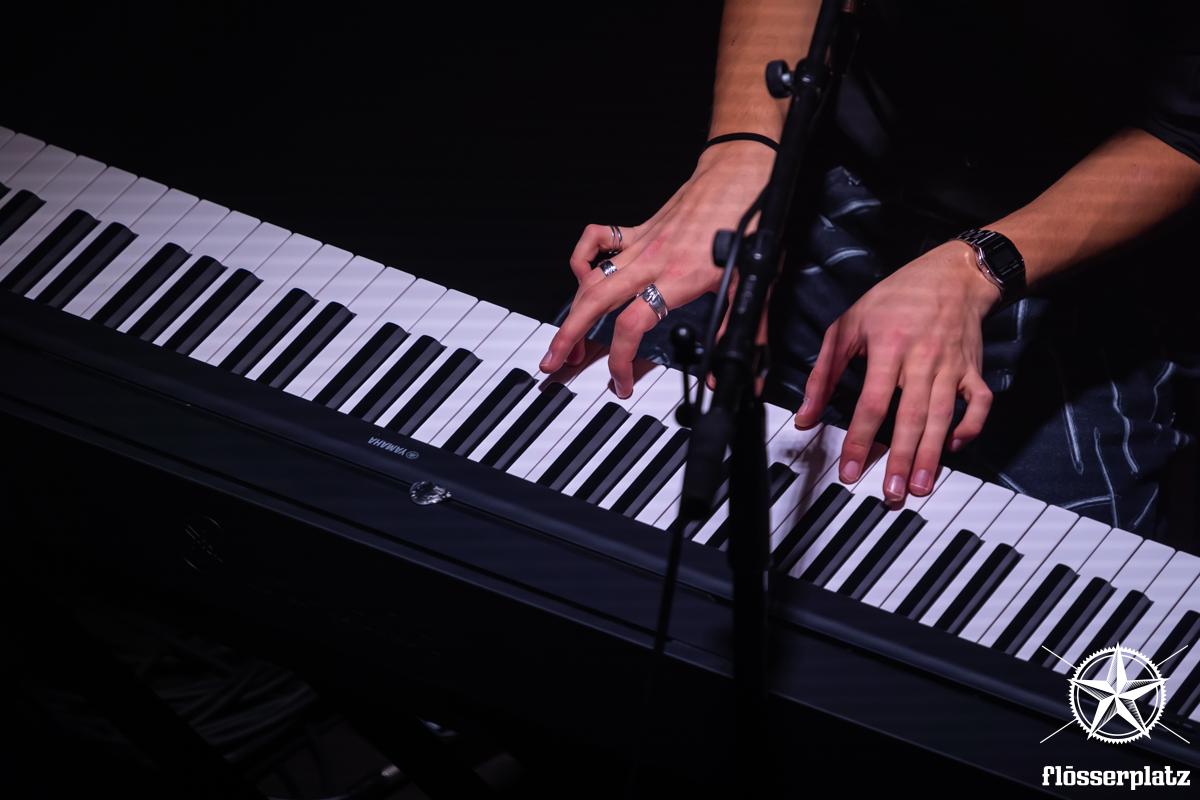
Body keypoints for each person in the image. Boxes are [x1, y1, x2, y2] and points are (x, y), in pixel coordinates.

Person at [540, 0, 1200, 541]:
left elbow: (1186, 132)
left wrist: (976, 267)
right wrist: (740, 154)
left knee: (1063, 600)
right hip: (841, 179)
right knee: (576, 448)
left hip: (1082, 261)